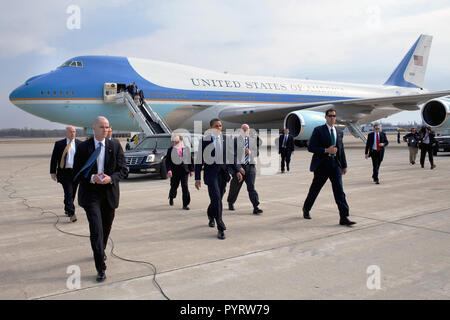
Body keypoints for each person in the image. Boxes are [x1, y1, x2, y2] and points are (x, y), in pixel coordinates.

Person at [73, 116, 128, 282]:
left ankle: (100, 250)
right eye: (101, 127)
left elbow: (123, 170)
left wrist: (110, 178)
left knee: (106, 227)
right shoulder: (83, 147)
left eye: (107, 127)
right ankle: (100, 268)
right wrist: (92, 177)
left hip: (109, 192)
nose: (105, 130)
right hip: (91, 194)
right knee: (96, 229)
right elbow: (77, 172)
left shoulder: (115, 146)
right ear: (93, 128)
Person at [302, 108, 355, 226]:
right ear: (325, 117)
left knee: (339, 192)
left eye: (334, 116)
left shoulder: (339, 132)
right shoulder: (318, 130)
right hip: (322, 165)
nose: (332, 118)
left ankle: (344, 217)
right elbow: (311, 147)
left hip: (335, 165)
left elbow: (341, 150)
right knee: (315, 189)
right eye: (330, 116)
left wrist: (344, 165)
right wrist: (326, 150)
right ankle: (306, 208)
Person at [195, 119, 239, 240]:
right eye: (216, 126)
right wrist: (197, 178)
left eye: (220, 126)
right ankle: (220, 227)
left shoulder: (227, 139)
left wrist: (237, 171)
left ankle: (210, 215)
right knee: (217, 199)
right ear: (211, 128)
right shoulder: (204, 141)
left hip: (223, 174)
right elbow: (199, 160)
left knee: (217, 199)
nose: (219, 128)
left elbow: (231, 157)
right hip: (211, 175)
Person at [227, 124, 263, 214]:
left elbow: (257, 153)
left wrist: (250, 152)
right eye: (244, 130)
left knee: (251, 187)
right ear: (240, 131)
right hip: (239, 167)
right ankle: (230, 202)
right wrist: (238, 167)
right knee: (235, 187)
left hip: (250, 166)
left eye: (247, 130)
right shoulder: (235, 141)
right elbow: (233, 156)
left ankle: (256, 206)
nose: (245, 131)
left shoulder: (252, 141)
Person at [50, 126, 81, 223]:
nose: (73, 133)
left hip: (75, 172)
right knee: (69, 192)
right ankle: (72, 213)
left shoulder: (80, 144)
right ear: (66, 133)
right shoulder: (59, 144)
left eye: (74, 132)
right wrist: (52, 172)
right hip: (64, 172)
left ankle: (67, 208)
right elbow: (54, 159)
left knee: (72, 193)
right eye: (71, 132)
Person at [165, 133, 194, 210]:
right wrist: (169, 170)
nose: (175, 143)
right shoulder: (170, 149)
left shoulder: (186, 149)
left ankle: (185, 204)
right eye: (174, 141)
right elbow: (167, 161)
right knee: (174, 187)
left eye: (177, 141)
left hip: (184, 171)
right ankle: (171, 197)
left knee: (185, 187)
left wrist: (191, 170)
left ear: (180, 140)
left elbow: (190, 160)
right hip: (174, 172)